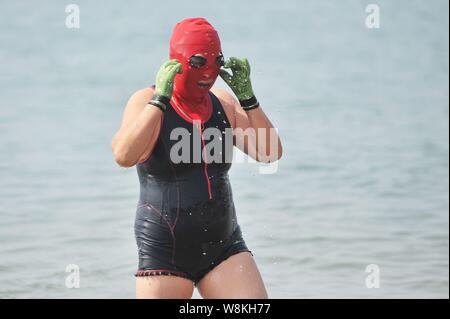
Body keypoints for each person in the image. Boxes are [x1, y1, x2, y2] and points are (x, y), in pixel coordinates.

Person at [111, 17, 282, 299]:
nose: (209, 72)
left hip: (224, 247)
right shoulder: (146, 100)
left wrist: (249, 99)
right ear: (177, 61)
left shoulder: (223, 103)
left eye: (217, 61)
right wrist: (159, 102)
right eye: (199, 62)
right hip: (165, 250)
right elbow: (123, 155)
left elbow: (269, 153)